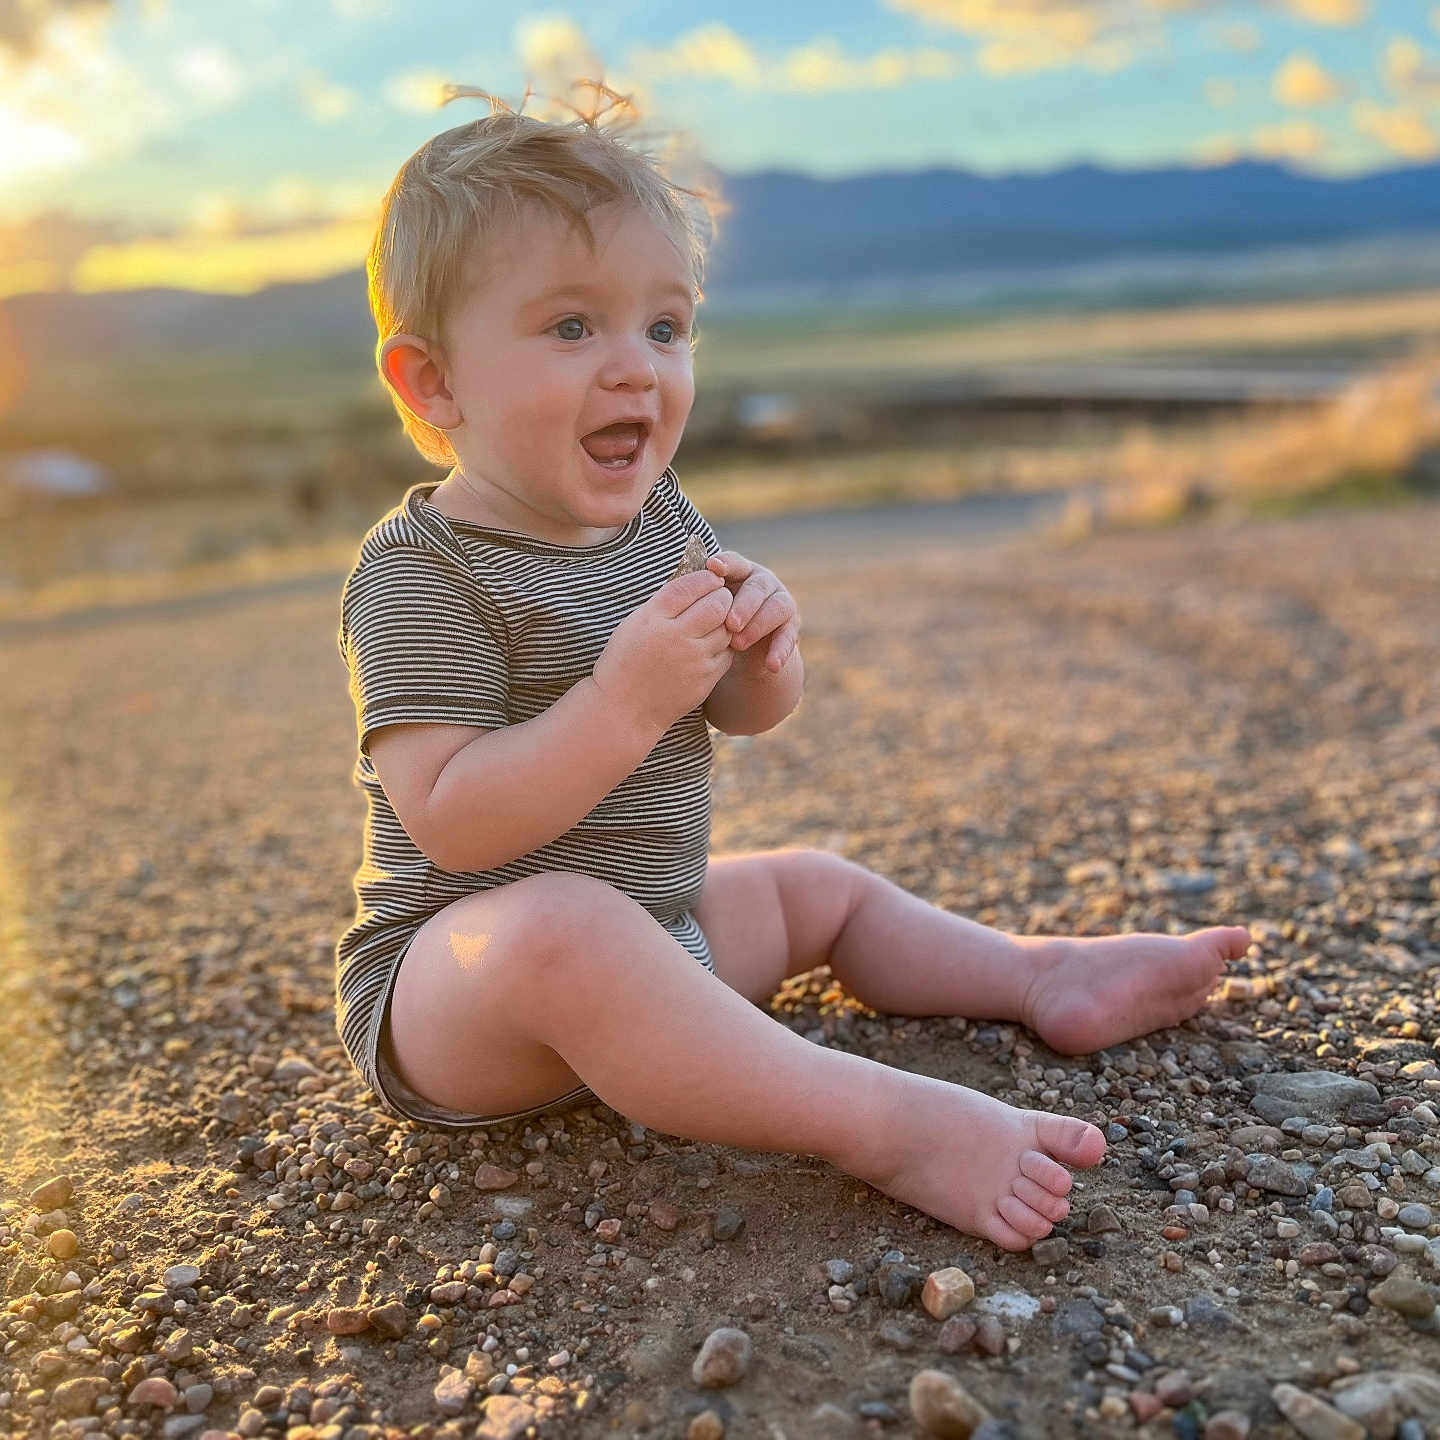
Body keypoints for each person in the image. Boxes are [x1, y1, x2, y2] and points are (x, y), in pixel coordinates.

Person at [335, 94, 1253, 1252]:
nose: (634, 370)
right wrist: (621, 701)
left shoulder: (658, 515)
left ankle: (1038, 976)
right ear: (432, 385)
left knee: (816, 886)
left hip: (662, 932)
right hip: (464, 991)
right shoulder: (422, 571)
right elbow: (456, 826)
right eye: (572, 328)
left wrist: (765, 655)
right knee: (563, 926)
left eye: (664, 329)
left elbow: (746, 713)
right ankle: (877, 1121)